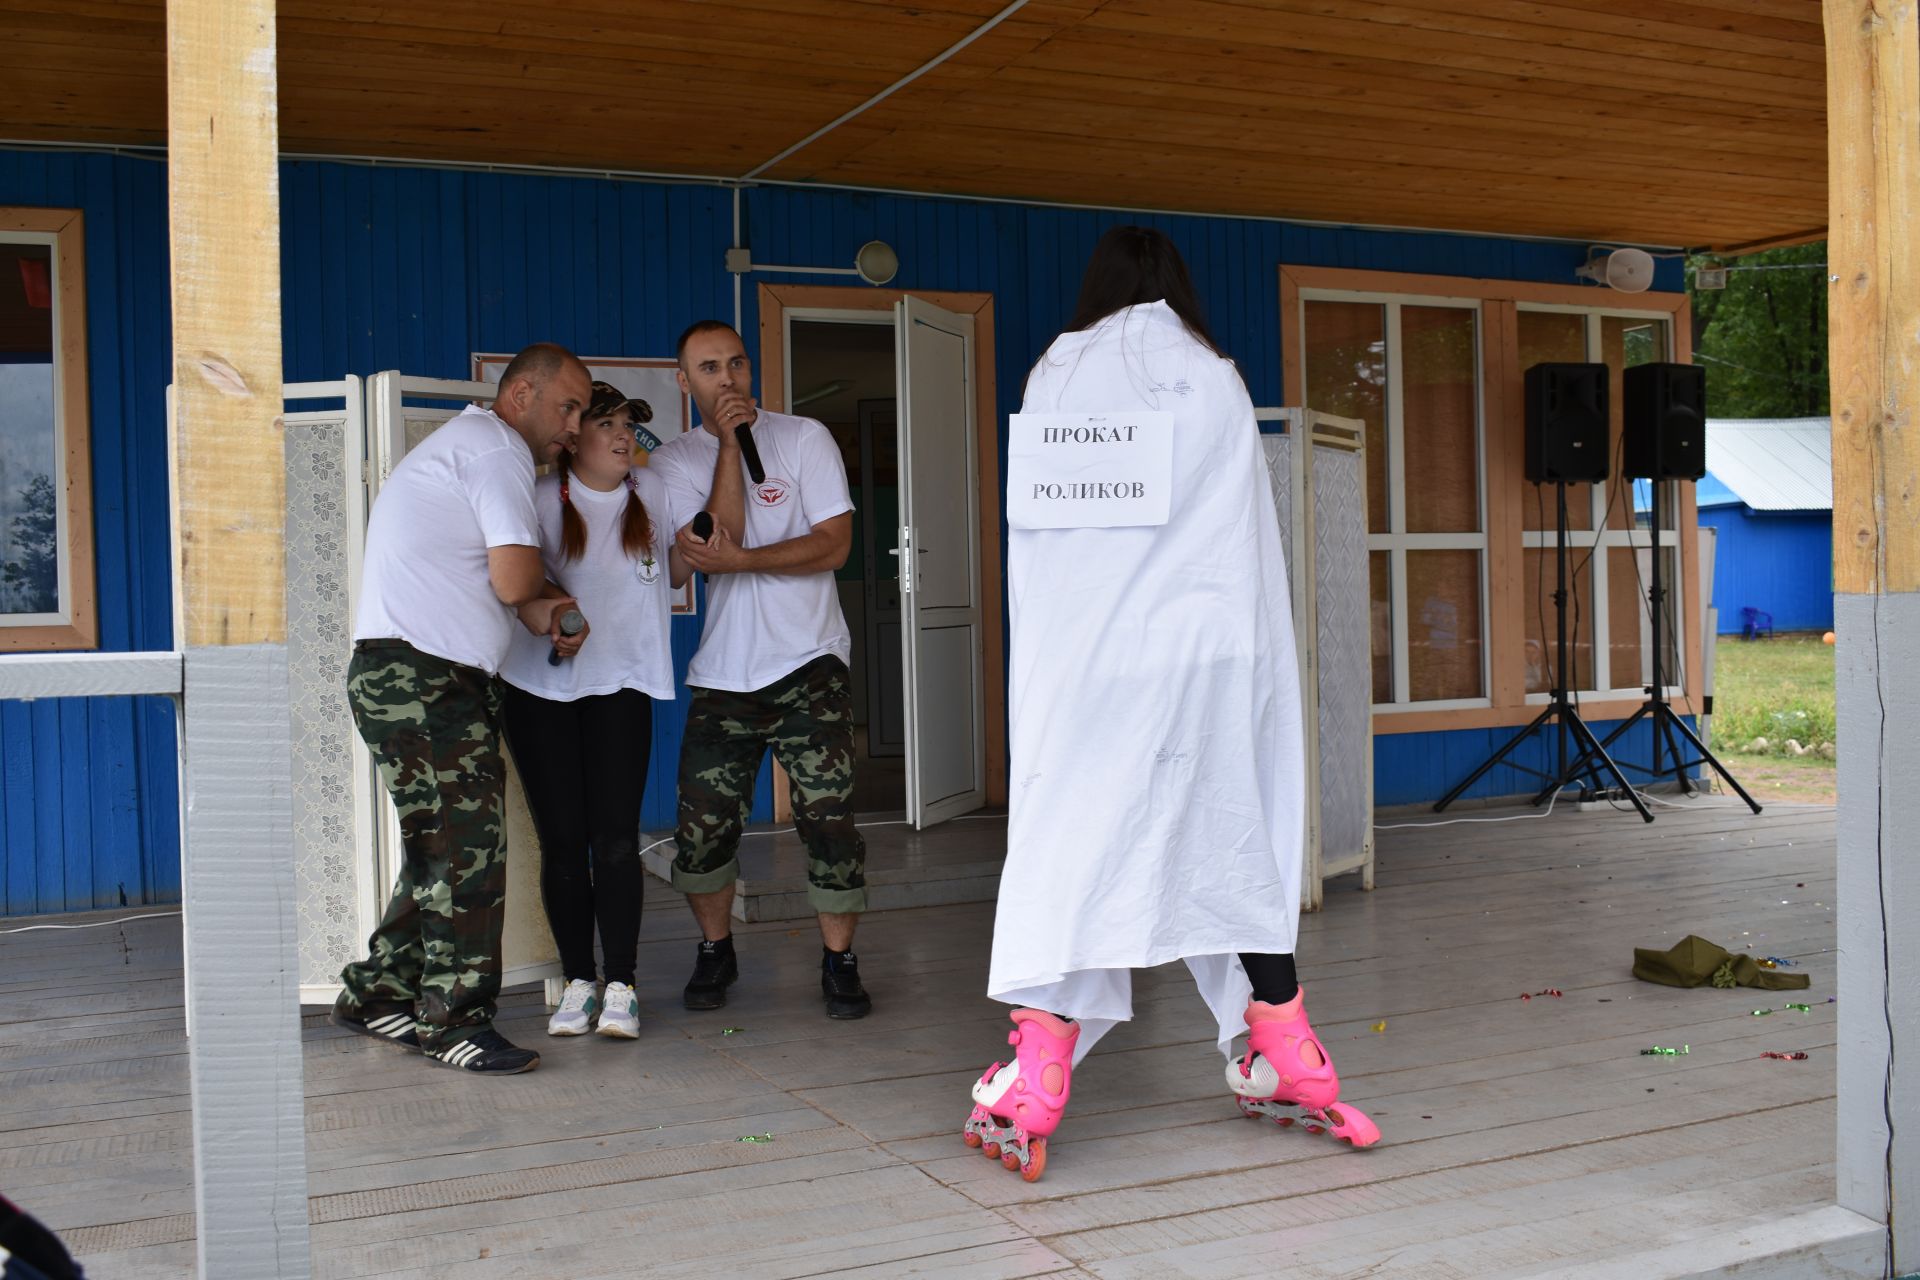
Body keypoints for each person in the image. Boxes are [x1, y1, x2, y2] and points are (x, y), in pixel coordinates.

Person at [962, 227, 1381, 1181]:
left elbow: (1049, 547)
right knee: (1230, 838)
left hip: (1097, 663)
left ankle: (1038, 1069)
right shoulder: (1215, 376)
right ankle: (1290, 1055)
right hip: (1209, 658)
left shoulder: (1055, 377)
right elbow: (1241, 537)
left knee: (1078, 844)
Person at [330, 342, 592, 1075]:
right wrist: (540, 591)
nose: (574, 425)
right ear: (520, 396)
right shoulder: (497, 450)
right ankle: (454, 1022)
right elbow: (513, 579)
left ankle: (376, 991)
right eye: (567, 406)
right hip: (423, 680)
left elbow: (505, 592)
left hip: (414, 676)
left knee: (441, 847)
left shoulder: (470, 445)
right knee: (465, 852)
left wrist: (549, 613)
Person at [648, 320, 871, 1019]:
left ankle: (840, 960)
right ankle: (717, 950)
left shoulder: (805, 437)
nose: (729, 380)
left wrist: (744, 565)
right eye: (710, 369)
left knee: (828, 817)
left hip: (810, 660)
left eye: (737, 363)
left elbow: (834, 545)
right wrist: (725, 449)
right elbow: (721, 542)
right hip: (725, 675)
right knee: (704, 823)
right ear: (686, 384)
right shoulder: (672, 465)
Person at [497, 382, 689, 1040]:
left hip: (623, 688)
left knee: (615, 840)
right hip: (539, 691)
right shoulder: (539, 500)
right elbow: (510, 581)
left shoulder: (655, 493)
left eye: (629, 426)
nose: (621, 437)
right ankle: (579, 981)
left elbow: (684, 567)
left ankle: (623, 985)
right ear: (572, 435)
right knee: (562, 844)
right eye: (606, 423)